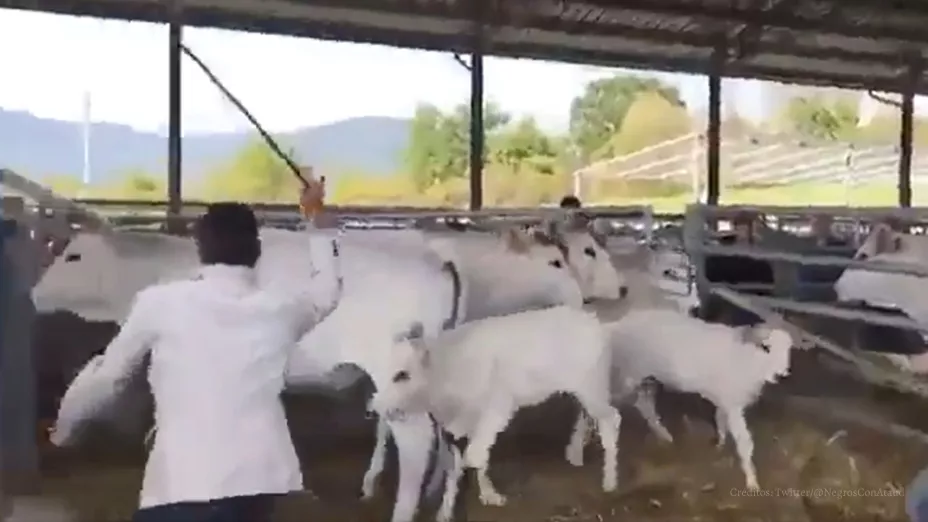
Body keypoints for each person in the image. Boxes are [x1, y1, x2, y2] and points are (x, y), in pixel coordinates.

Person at [49, 181, 343, 522]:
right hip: (257, 479)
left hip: (182, 481)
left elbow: (108, 377)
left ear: (200, 247)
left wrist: (63, 429)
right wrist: (317, 221)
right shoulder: (279, 308)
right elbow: (327, 291)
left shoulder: (160, 302)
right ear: (257, 250)